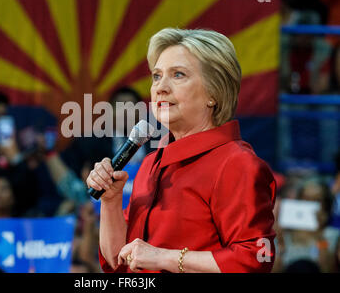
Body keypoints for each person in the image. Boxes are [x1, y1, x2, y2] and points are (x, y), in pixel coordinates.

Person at [87, 28, 277, 273]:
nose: (160, 88)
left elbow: (256, 259)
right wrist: (111, 202)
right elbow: (118, 263)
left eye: (178, 75)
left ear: (213, 93)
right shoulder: (151, 163)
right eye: (156, 76)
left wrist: (163, 258)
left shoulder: (237, 163)